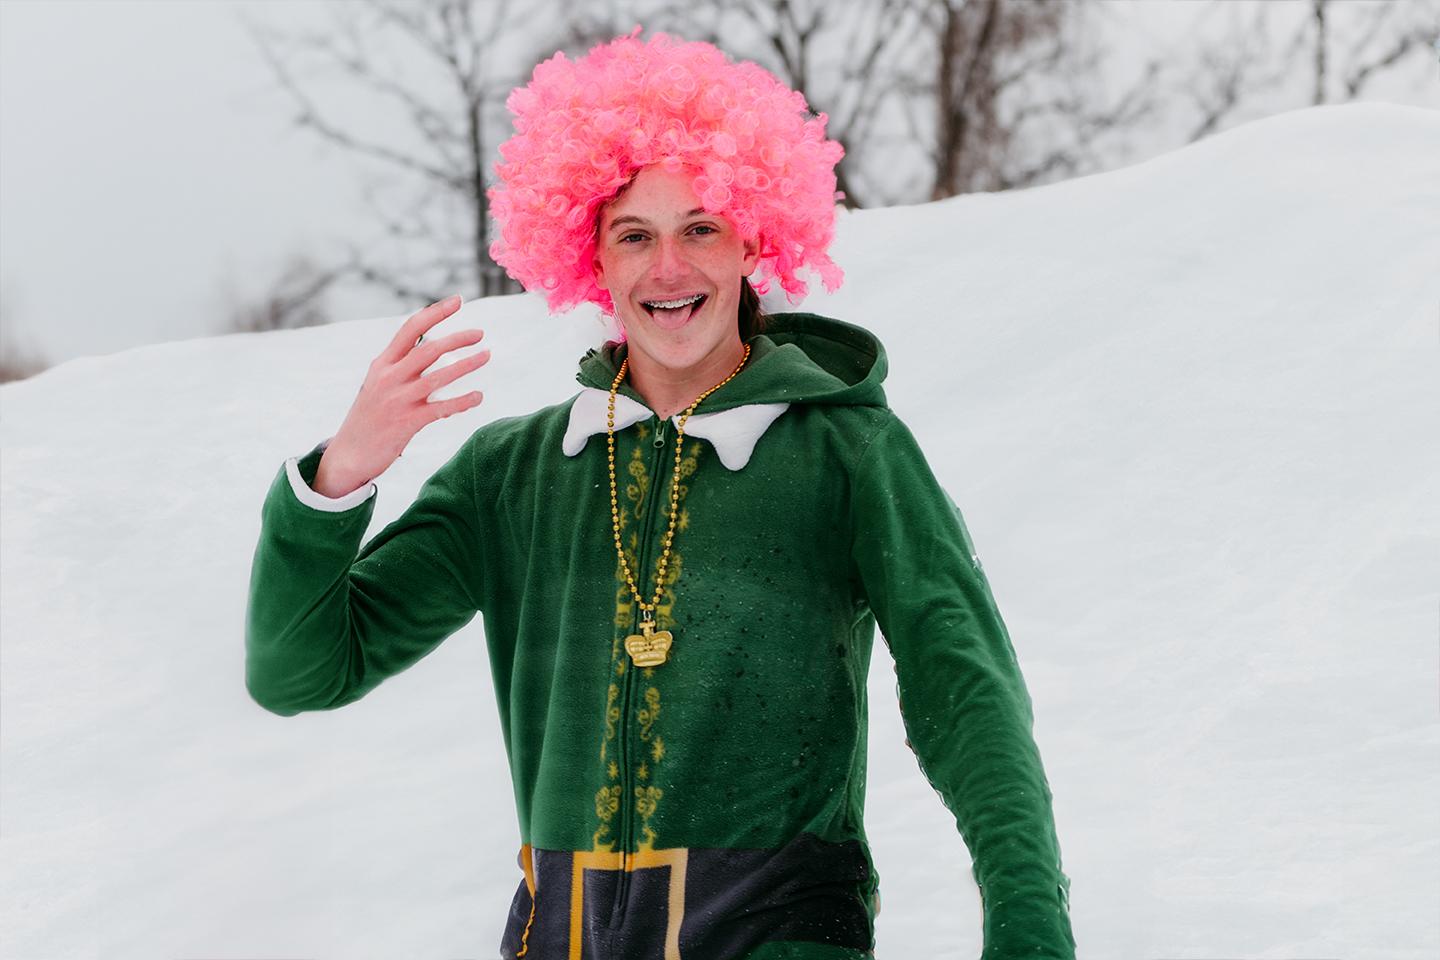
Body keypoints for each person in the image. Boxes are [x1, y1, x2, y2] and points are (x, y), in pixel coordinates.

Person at [246, 32, 1074, 960]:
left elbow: (968, 695)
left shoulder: (850, 452)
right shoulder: (510, 474)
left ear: (754, 239)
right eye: (634, 235)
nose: (668, 269)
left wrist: (1029, 925)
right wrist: (342, 473)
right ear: (589, 256)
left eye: (701, 227)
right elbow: (299, 671)